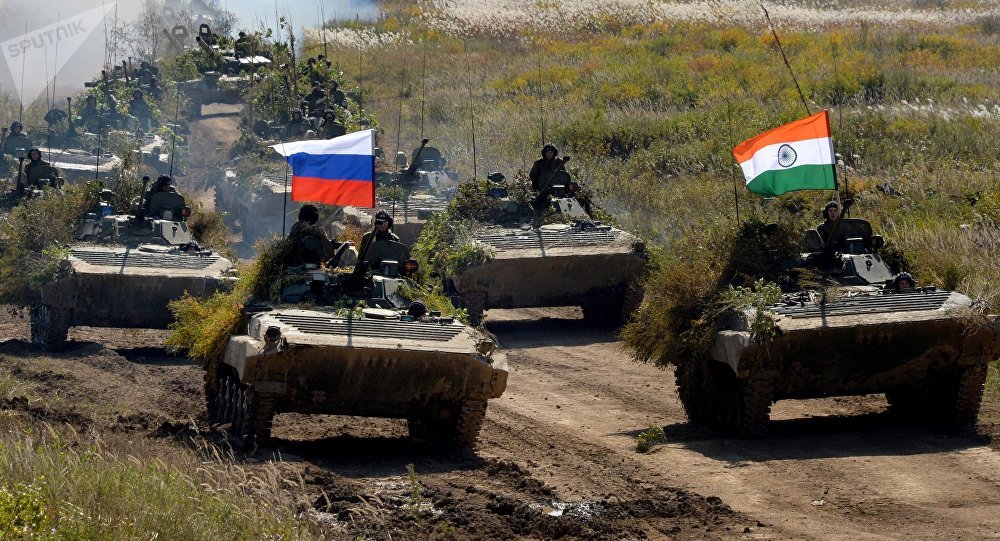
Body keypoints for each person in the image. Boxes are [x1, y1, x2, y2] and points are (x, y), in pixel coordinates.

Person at [529, 143, 568, 209]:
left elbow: (564, 176)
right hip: (542, 190)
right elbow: (533, 177)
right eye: (547, 153)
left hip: (557, 190)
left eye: (551, 152)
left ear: (554, 153)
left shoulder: (559, 162)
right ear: (544, 153)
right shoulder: (539, 163)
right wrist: (536, 191)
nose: (549, 155)